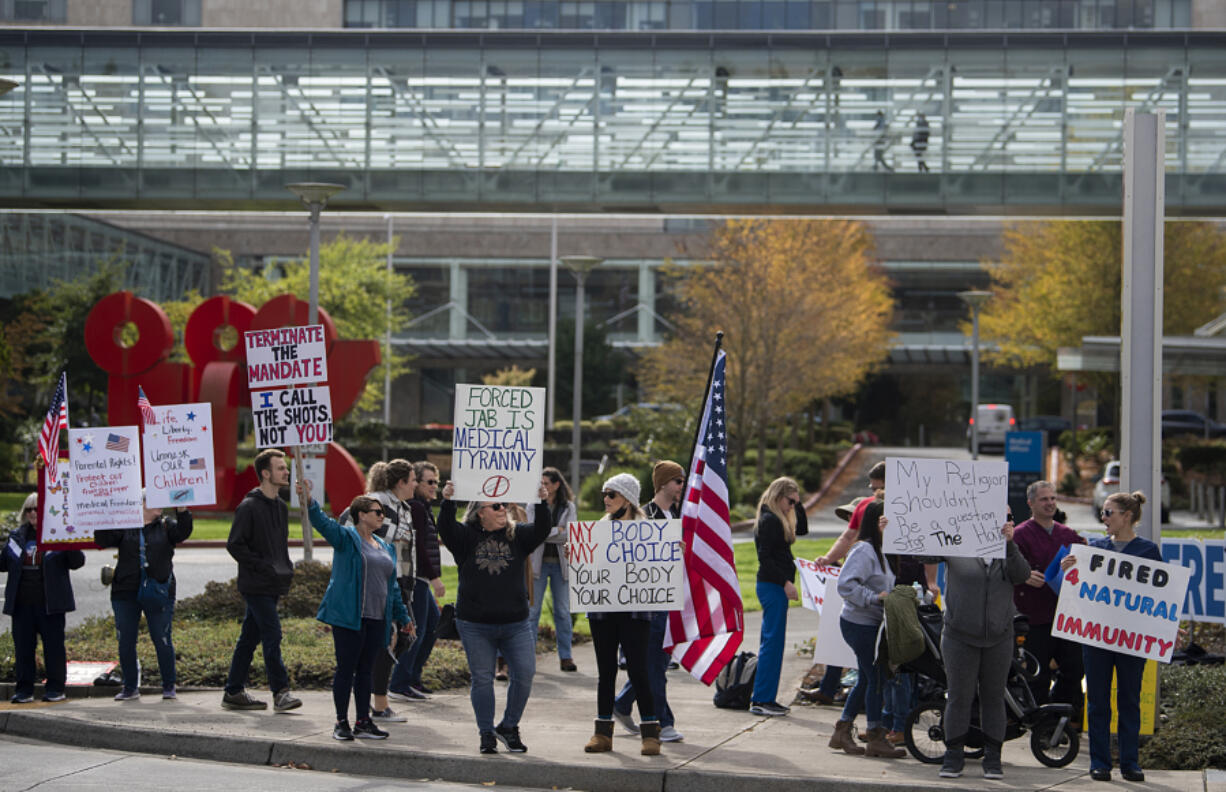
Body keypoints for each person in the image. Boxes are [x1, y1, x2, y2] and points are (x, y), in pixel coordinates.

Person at [912, 510, 1030, 779]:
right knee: (959, 696)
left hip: (999, 637)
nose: (1007, 520)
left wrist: (1010, 543)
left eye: (1010, 517)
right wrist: (896, 530)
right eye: (1002, 516)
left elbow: (1021, 574)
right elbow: (923, 554)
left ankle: (993, 758)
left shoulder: (1008, 548)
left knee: (993, 697)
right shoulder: (958, 542)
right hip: (958, 636)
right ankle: (953, 757)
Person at [436, 479, 552, 755]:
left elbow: (542, 529)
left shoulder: (518, 535)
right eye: (497, 506)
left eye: (506, 505)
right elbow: (445, 527)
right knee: (483, 678)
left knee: (524, 674)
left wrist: (542, 502)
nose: (504, 509)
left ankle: (509, 726)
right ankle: (486, 732)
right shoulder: (465, 538)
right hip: (475, 624)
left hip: (515, 623)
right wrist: (448, 500)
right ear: (480, 512)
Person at [302, 480, 413, 741]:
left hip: (377, 619)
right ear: (361, 515)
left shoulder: (385, 547)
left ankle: (363, 721)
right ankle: (342, 722)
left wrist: (403, 617)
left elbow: (392, 587)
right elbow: (323, 524)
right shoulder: (347, 538)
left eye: (383, 513)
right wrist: (309, 501)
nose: (382, 516)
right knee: (346, 669)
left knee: (366, 671)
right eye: (377, 512)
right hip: (350, 618)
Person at [1061, 491, 1158, 783]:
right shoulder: (1095, 548)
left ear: (1126, 516)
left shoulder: (1148, 551)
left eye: (1108, 513)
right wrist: (1070, 570)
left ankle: (1130, 763)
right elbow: (1079, 591)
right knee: (1098, 701)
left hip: (1131, 639)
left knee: (1129, 699)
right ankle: (1100, 762)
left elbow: (1158, 599)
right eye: (1102, 513)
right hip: (1097, 638)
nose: (1103, 518)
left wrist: (1168, 629)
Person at [584, 472, 661, 756]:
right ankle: (602, 732)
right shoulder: (598, 530)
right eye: (604, 494)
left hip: (634, 610)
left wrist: (671, 553)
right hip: (603, 610)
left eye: (611, 494)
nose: (605, 499)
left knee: (639, 669)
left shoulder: (649, 531)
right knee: (606, 671)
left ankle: (651, 733)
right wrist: (578, 555)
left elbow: (658, 568)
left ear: (627, 499)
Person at [221, 448, 302, 712]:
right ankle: (281, 692)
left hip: (273, 583)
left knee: (249, 638)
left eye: (285, 467)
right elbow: (235, 545)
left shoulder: (279, 506)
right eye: (280, 468)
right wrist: (263, 566)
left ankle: (233, 691)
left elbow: (279, 546)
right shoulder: (249, 506)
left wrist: (284, 569)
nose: (286, 471)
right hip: (255, 585)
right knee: (272, 633)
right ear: (266, 474)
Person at [613, 460, 685, 742]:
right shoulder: (644, 515)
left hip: (670, 597)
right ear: (664, 483)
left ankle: (621, 703)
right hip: (648, 600)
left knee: (657, 660)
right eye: (678, 481)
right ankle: (660, 722)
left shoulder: (678, 514)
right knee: (656, 663)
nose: (682, 486)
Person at [95, 495, 194, 701]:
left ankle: (168, 686)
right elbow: (102, 540)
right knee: (126, 641)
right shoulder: (124, 525)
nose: (158, 504)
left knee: (162, 638)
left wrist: (182, 509)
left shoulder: (166, 526)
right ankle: (130, 687)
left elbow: (184, 532)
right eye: (151, 500)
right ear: (139, 504)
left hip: (158, 591)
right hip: (125, 591)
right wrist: (102, 516)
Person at [829, 498, 904, 759]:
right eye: (887, 519)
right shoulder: (865, 550)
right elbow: (845, 585)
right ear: (877, 521)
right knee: (876, 678)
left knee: (868, 678)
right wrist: (875, 598)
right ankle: (875, 736)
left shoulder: (885, 551)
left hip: (873, 623)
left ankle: (842, 730)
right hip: (859, 623)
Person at [1013, 480, 1086, 723]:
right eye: (1044, 499)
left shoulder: (1068, 535)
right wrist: (1023, 577)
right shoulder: (1020, 535)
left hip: (1066, 617)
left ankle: (1062, 716)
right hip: (1036, 618)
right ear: (1031, 503)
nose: (1050, 503)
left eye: (1053, 498)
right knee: (1038, 675)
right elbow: (1008, 570)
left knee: (1074, 669)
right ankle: (1040, 724)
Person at [3, 492, 85, 703]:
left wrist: (70, 538)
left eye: (37, 509)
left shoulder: (59, 535)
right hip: (22, 605)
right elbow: (3, 563)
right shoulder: (17, 536)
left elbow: (77, 562)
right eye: (29, 509)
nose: (32, 513)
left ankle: (56, 689)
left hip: (51, 604)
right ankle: (24, 690)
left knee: (54, 649)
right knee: (23, 650)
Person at [750, 477, 806, 718]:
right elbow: (765, 557)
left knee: (772, 643)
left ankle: (765, 697)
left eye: (795, 502)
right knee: (772, 644)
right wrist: (785, 583)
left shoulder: (776, 517)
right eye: (790, 501)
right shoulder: (770, 520)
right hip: (772, 586)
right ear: (778, 496)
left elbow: (802, 529)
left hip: (773, 586)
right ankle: (763, 698)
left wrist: (799, 503)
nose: (792, 506)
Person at [390, 460, 446, 701]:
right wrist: (434, 578)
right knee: (419, 630)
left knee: (433, 627)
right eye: (429, 482)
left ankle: (412, 678)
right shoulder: (416, 508)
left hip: (421, 578)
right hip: (418, 578)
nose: (435, 487)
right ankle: (399, 683)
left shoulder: (423, 506)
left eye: (437, 482)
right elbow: (419, 546)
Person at [367, 459, 417, 723]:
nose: (416, 484)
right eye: (413, 479)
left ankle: (370, 684)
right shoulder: (378, 502)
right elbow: (350, 523)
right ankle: (378, 703)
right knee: (390, 640)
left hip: (403, 582)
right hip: (383, 582)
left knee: (407, 636)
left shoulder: (405, 507)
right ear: (401, 483)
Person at [528, 466, 579, 672]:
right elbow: (533, 531)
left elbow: (571, 534)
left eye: (547, 484)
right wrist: (557, 530)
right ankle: (528, 657)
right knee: (532, 612)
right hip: (538, 566)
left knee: (563, 612)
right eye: (541, 484)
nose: (543, 487)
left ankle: (566, 656)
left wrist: (549, 532)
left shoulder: (568, 507)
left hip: (561, 566)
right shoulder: (533, 504)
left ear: (557, 485)